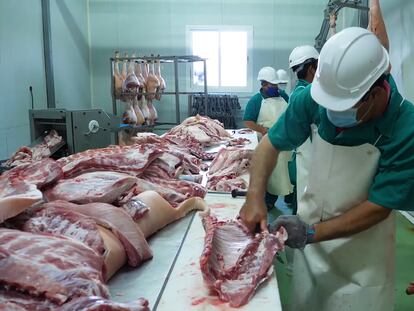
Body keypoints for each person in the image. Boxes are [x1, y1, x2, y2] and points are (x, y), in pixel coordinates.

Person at [239, 26, 414, 311]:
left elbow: (379, 206)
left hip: (362, 257)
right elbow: (270, 145)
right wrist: (254, 197)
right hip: (309, 249)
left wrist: (311, 233)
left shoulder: (406, 127)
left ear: (377, 91)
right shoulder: (313, 98)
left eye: (345, 107)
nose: (333, 115)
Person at [243, 67, 291, 210]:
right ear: (263, 84)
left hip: (284, 139)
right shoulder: (256, 100)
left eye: (276, 85)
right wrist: (263, 130)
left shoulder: (283, 96)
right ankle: (269, 200)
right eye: (272, 85)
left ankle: (289, 195)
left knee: (286, 171)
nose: (275, 88)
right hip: (267, 141)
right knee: (270, 172)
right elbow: (248, 121)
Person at [285, 45, 319, 213]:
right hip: (310, 154)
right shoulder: (310, 93)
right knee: (308, 199)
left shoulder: (296, 92)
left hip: (303, 153)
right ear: (312, 68)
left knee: (303, 194)